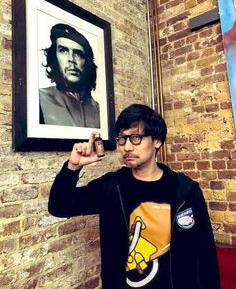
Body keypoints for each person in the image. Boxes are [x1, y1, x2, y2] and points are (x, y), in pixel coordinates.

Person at [48, 104, 221, 289]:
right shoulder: (111, 186)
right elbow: (59, 206)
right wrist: (73, 167)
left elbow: (204, 254)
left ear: (157, 141)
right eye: (122, 139)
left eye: (136, 138)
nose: (127, 147)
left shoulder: (185, 190)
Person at [39, 23, 100, 128]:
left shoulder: (97, 109)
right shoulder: (40, 98)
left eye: (78, 54)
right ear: (54, 57)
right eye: (63, 50)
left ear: (87, 63)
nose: (71, 59)